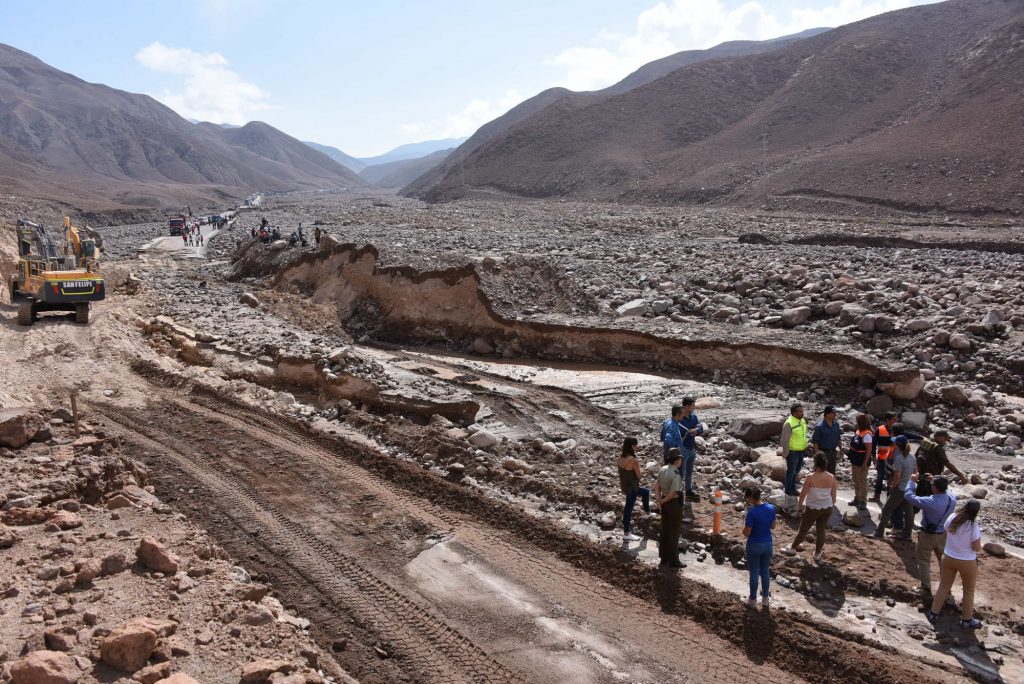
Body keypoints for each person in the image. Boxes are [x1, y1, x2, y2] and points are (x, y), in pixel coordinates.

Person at [927, 499, 983, 630]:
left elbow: (945, 534)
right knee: (968, 590)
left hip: (948, 557)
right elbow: (976, 547)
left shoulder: (952, 517)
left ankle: (934, 613)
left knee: (944, 585)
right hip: (967, 561)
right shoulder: (973, 525)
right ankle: (966, 620)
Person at [904, 473, 957, 596]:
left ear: (934, 488)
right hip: (943, 534)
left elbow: (908, 496)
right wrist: (935, 480)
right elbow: (946, 490)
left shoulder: (930, 502)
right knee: (943, 561)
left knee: (923, 560)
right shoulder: (951, 498)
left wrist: (912, 481)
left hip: (928, 535)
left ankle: (926, 588)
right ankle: (946, 587)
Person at [783, 452, 837, 562]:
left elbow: (803, 493)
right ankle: (817, 554)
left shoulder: (810, 477)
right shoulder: (831, 477)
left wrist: (799, 506)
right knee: (821, 531)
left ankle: (793, 548)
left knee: (803, 529)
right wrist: (829, 505)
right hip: (827, 507)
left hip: (813, 508)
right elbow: (834, 496)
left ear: (815, 463)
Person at [873, 435, 915, 540]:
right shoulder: (912, 457)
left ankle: (879, 532)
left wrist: (893, 487)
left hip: (900, 489)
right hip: (909, 488)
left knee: (886, 509)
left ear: (897, 445)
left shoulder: (899, 458)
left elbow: (897, 476)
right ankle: (907, 534)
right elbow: (916, 473)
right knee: (909, 512)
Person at [743, 487, 777, 608]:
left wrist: (745, 522)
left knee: (754, 573)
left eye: (747, 499)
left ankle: (752, 600)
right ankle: (765, 600)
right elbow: (773, 526)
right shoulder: (771, 508)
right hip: (767, 544)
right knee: (765, 571)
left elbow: (747, 533)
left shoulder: (751, 512)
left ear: (751, 498)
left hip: (754, 545)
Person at [655, 449, 685, 568]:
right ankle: (674, 560)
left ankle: (663, 557)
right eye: (680, 458)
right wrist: (664, 500)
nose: (681, 460)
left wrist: (659, 501)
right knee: (674, 532)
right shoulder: (676, 474)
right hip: (673, 503)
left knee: (665, 529)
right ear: (677, 460)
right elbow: (673, 493)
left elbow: (657, 486)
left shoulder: (662, 469)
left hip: (664, 502)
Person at [617, 437, 650, 542]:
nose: (637, 446)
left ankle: (647, 512)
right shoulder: (633, 460)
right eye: (636, 444)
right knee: (628, 509)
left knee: (645, 492)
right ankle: (626, 533)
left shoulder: (620, 458)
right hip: (632, 488)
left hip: (625, 487)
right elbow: (638, 476)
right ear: (632, 446)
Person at [915, 431, 967, 496]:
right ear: (941, 438)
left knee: (919, 495)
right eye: (945, 439)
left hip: (921, 475)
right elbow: (948, 464)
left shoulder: (925, 442)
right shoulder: (937, 447)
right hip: (931, 477)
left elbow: (916, 456)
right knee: (930, 497)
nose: (945, 442)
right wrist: (961, 475)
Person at [780, 404, 810, 502]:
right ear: (793, 413)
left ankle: (792, 489)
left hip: (801, 451)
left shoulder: (802, 421)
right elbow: (784, 440)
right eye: (800, 411)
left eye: (802, 411)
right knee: (791, 472)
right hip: (792, 452)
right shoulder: (789, 423)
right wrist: (785, 453)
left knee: (796, 471)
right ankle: (788, 491)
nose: (802, 413)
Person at [677, 397, 703, 498]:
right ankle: (677, 493)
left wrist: (696, 431)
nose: (694, 408)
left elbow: (700, 428)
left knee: (689, 471)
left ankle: (688, 491)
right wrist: (689, 432)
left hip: (691, 447)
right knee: (681, 472)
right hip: (683, 448)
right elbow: (678, 433)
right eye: (692, 406)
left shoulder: (694, 417)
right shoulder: (679, 418)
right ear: (686, 406)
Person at [869, 412, 898, 503]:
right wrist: (874, 456)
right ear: (888, 420)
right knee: (879, 477)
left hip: (893, 459)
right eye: (894, 419)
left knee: (892, 479)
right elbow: (873, 444)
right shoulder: (880, 429)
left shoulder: (896, 430)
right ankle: (877, 496)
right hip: (882, 458)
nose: (896, 421)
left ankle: (889, 499)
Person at [847, 414, 873, 508]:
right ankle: (857, 498)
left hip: (861, 461)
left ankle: (863, 501)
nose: (856, 423)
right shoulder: (859, 431)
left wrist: (865, 463)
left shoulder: (867, 434)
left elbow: (869, 450)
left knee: (862, 481)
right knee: (855, 480)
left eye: (857, 422)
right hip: (855, 460)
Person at [811, 406, 842, 475]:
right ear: (827, 414)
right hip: (823, 453)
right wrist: (818, 455)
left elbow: (838, 438)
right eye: (832, 413)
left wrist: (841, 449)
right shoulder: (819, 427)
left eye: (835, 413)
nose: (835, 415)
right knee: (821, 472)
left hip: (833, 452)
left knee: (831, 473)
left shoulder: (836, 425)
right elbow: (815, 442)